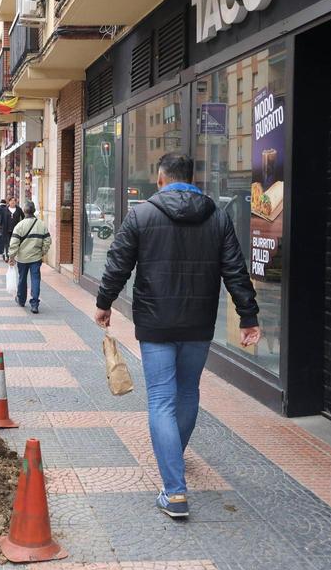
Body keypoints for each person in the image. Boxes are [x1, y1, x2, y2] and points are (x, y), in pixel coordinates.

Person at [94, 153, 259, 520]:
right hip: (198, 323)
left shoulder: (142, 215)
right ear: (192, 179)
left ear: (161, 178)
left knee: (161, 400)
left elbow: (118, 263)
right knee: (187, 393)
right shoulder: (217, 216)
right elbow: (235, 268)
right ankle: (174, 459)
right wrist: (248, 316)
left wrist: (104, 302)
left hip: (156, 323)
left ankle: (174, 490)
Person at [8, 201, 51, 313]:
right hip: (36, 258)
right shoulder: (41, 225)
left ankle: (21, 300)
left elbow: (14, 243)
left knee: (22, 279)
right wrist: (42, 252)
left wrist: (11, 256)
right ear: (34, 211)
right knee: (36, 279)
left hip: (22, 258)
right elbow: (47, 240)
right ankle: (35, 304)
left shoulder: (19, 225)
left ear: (24, 211)